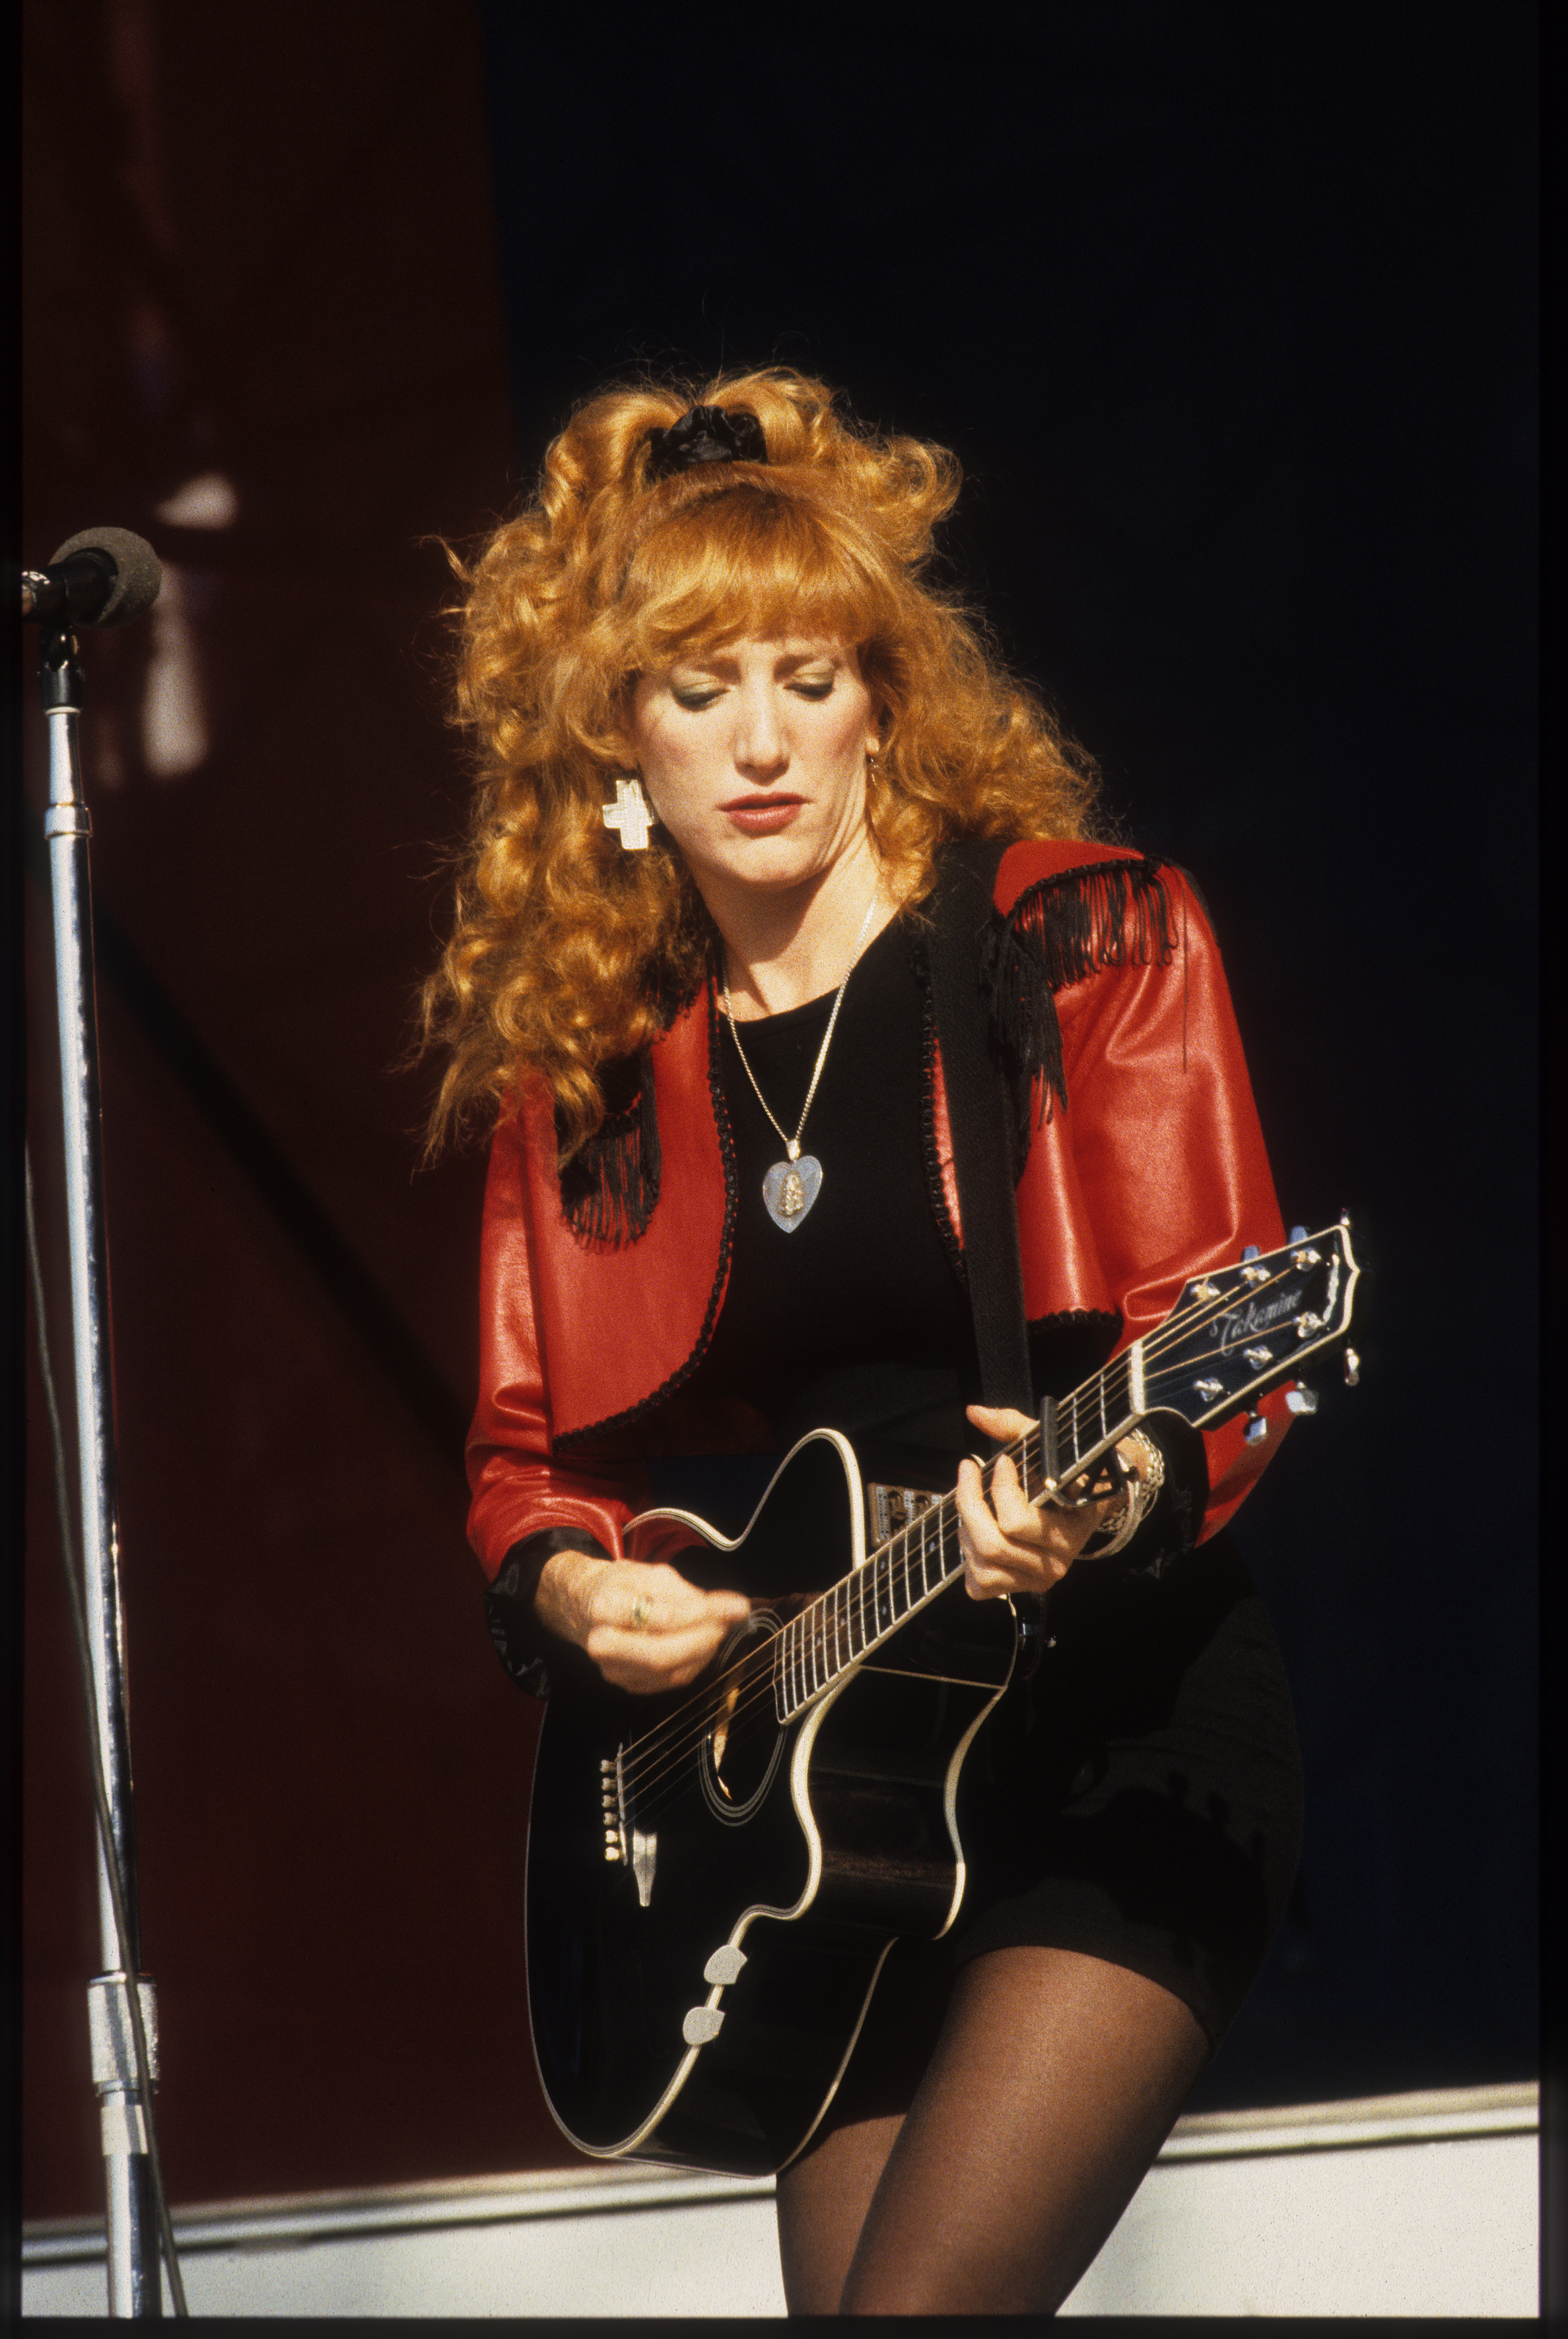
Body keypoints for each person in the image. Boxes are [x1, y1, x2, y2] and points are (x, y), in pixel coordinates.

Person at [421, 368, 1303, 2315]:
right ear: (614, 744)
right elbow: (521, 1462)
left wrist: (1122, 1484)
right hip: (833, 1810)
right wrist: (582, 1597)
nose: (759, 742)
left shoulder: (1074, 944)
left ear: (885, 701)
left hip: (1112, 1738)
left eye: (808, 677)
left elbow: (1209, 1327)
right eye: (697, 685)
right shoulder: (596, 1089)